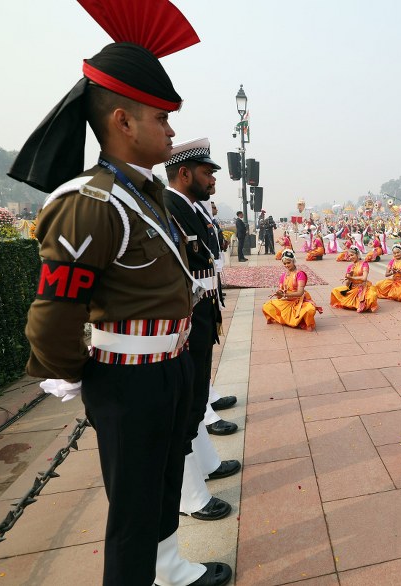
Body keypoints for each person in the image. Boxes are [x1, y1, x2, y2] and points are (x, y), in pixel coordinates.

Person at [9, 6, 232, 584]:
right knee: (132, 512)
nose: (172, 131)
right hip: (128, 378)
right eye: (162, 118)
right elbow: (56, 307)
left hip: (171, 365)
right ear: (123, 122)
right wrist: (66, 369)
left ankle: (169, 567)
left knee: (161, 486)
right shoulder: (90, 202)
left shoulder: (147, 194)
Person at [164, 139, 239, 524]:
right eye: (207, 172)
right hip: (187, 313)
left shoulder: (190, 207)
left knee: (195, 398)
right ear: (184, 173)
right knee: (186, 405)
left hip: (202, 308)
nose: (212, 179)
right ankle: (190, 496)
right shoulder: (170, 206)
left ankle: (205, 462)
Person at [263, 250, 323, 330]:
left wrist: (284, 295)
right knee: (267, 306)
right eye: (284, 263)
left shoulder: (300, 274)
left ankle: (295, 320)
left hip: (300, 301)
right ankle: (293, 320)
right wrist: (279, 293)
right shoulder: (283, 276)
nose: (286, 265)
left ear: (293, 261)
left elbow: (300, 293)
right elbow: (280, 295)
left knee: (310, 310)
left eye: (288, 262)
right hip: (287, 301)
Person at [330, 246, 379, 312]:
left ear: (357, 254)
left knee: (372, 296)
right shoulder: (350, 267)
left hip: (364, 287)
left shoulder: (364, 264)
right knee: (335, 291)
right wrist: (349, 277)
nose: (351, 257)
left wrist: (351, 277)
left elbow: (364, 278)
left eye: (352, 255)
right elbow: (347, 285)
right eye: (349, 256)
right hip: (353, 288)